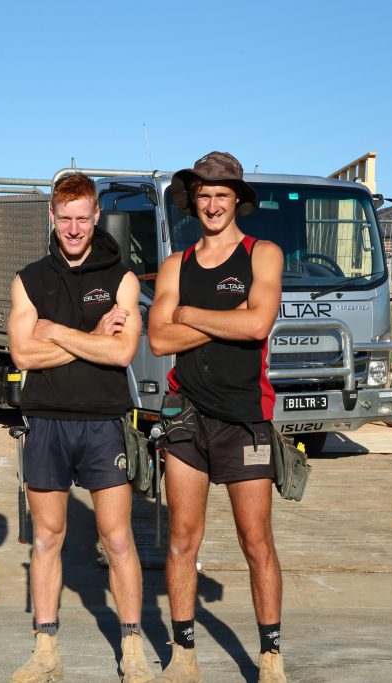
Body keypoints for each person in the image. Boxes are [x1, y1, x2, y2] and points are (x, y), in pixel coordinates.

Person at [7, 173, 154, 683]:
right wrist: (91, 336)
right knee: (47, 538)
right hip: (46, 422)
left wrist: (59, 332)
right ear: (52, 216)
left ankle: (132, 649)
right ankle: (45, 650)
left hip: (103, 424)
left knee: (117, 538)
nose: (73, 229)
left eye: (82, 219)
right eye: (65, 218)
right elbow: (23, 354)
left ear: (96, 217)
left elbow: (121, 352)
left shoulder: (122, 278)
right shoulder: (28, 279)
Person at [147, 152, 286, 683]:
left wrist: (186, 314)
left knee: (257, 541)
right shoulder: (175, 265)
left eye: (221, 195)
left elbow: (258, 326)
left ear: (236, 200)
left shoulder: (262, 254)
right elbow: (159, 340)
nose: (211, 205)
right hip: (186, 415)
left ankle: (270, 657)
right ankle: (184, 655)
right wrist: (229, 318)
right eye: (203, 195)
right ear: (193, 201)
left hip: (244, 416)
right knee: (182, 540)